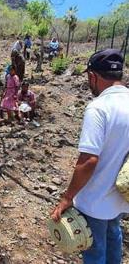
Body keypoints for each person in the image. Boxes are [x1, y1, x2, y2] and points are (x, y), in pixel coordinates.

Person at [51, 49, 129, 264]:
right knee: (114, 240)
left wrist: (67, 198)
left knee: (95, 252)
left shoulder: (99, 108)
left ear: (93, 76)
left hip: (95, 200)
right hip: (121, 198)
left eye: (88, 78)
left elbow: (88, 160)